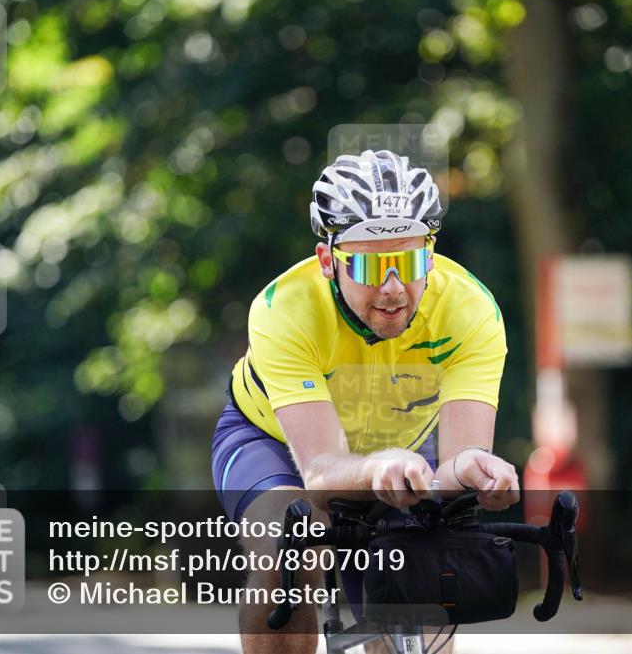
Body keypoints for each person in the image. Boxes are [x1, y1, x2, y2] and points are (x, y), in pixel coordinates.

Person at [210, 149, 520, 653]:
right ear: (328, 260)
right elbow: (320, 472)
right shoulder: (284, 309)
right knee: (290, 543)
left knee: (422, 579)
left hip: (400, 454)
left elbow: (458, 461)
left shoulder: (471, 310)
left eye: (409, 261)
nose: (393, 287)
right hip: (272, 441)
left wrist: (476, 470)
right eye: (370, 266)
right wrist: (378, 467)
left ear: (431, 256)